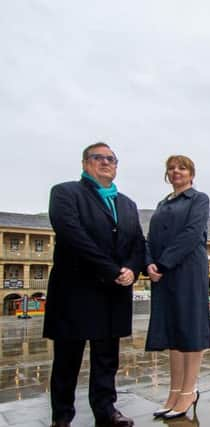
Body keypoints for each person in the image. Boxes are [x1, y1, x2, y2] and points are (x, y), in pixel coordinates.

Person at [43, 142, 145, 427]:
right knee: (67, 359)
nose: (105, 162)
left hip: (113, 293)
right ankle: (62, 417)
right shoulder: (65, 193)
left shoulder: (126, 203)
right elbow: (72, 235)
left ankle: (106, 410)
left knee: (106, 358)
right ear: (85, 163)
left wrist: (132, 269)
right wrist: (112, 269)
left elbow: (137, 242)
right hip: (76, 289)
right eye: (98, 158)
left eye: (111, 159)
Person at [145, 155, 210, 419]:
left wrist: (161, 264)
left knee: (190, 329)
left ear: (191, 174)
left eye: (182, 168)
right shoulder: (162, 204)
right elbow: (150, 238)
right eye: (171, 168)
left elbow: (192, 234)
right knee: (172, 330)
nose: (176, 172)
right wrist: (148, 263)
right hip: (163, 272)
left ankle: (189, 391)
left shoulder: (198, 199)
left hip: (187, 270)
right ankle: (174, 391)